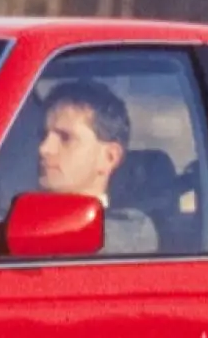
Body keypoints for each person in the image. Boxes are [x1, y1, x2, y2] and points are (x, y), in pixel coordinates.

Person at [36, 80, 160, 255]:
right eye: (43, 136)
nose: (44, 148)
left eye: (65, 137)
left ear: (109, 157)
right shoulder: (25, 223)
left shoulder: (127, 234)